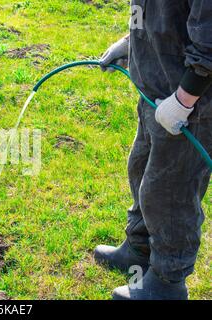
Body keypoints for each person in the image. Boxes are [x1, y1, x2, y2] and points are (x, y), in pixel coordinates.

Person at [94, 0, 212, 300]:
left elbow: (209, 39)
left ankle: (167, 282)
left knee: (171, 194)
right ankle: (140, 250)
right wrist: (130, 42)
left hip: (190, 108)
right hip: (155, 94)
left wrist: (184, 101)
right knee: (140, 169)